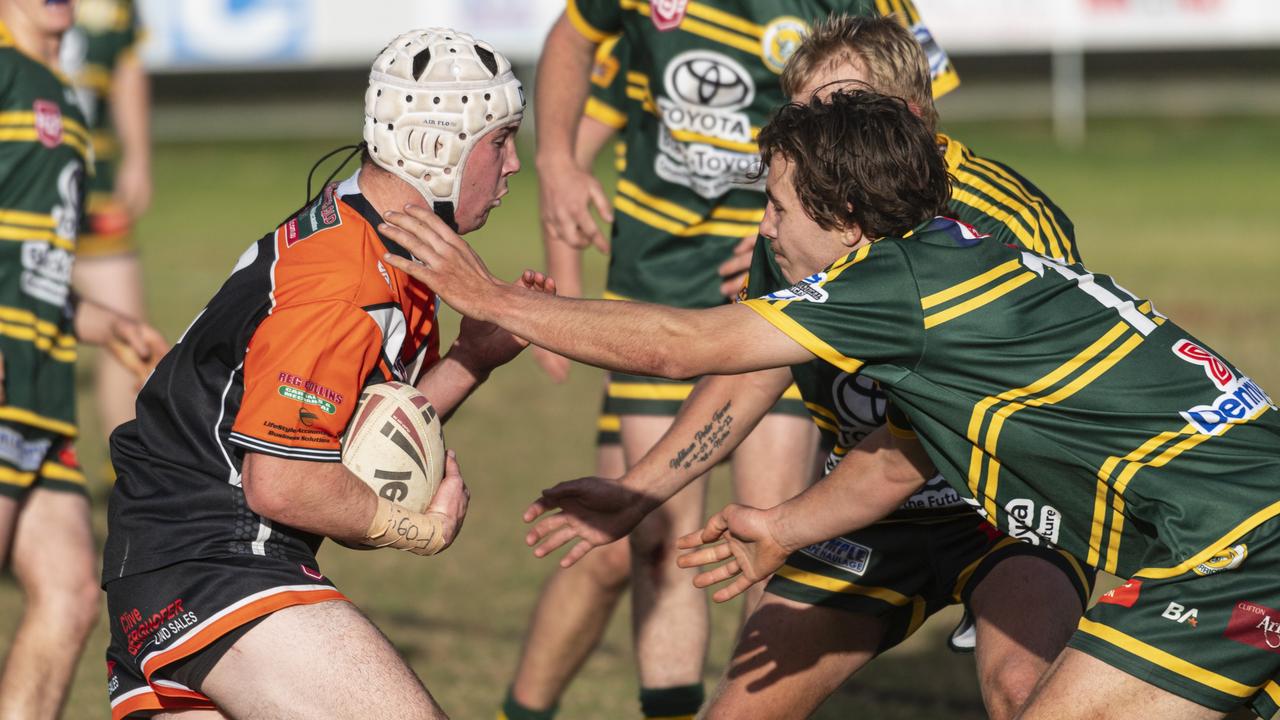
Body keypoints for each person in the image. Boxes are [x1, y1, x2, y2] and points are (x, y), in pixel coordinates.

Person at [382, 90, 1280, 720]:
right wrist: (785, 526)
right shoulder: (949, 257)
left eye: (775, 205)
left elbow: (683, 344)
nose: (765, 227)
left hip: (1229, 544)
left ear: (845, 213)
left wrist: (492, 299)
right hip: (1232, 525)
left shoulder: (900, 284)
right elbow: (902, 450)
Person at [522, 16, 1089, 719]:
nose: (817, 137)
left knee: (1023, 693)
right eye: (807, 116)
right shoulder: (802, 219)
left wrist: (493, 302)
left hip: (1006, 506)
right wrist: (639, 492)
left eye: (841, 112)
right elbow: (748, 372)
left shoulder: (1006, 223)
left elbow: (961, 433)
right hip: (872, 515)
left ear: (908, 116)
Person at [101, 28, 537, 720]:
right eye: (500, 140)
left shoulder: (372, 240)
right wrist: (416, 529)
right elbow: (283, 481)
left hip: (169, 568)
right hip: (221, 562)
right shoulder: (346, 277)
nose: (514, 163)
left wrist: (473, 358)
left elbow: (351, 432)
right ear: (438, 145)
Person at [0, 0, 166, 718]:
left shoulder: (65, 97)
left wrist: (110, 323)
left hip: (42, 393)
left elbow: (35, 265)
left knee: (68, 594)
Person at [61, 0, 152, 454]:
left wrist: (137, 157)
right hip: (16, 194)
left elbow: (125, 66)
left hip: (92, 188)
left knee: (127, 333)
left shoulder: (113, 8)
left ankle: (127, 475)